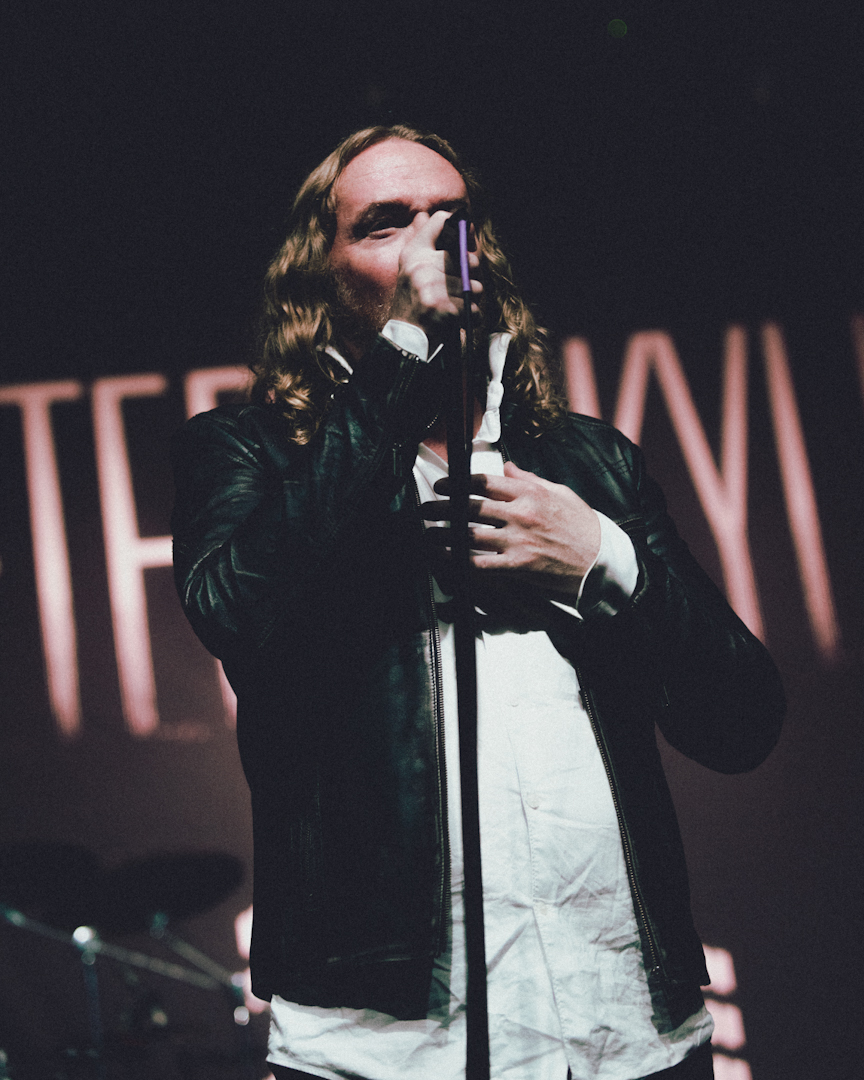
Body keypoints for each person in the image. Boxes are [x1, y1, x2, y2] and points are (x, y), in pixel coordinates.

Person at [171, 126, 784, 1080]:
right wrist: (406, 352)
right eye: (386, 225)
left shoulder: (589, 461)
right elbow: (236, 615)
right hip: (389, 1047)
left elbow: (742, 720)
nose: (433, 245)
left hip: (623, 1033)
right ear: (320, 276)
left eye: (452, 218)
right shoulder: (253, 452)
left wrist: (602, 561)